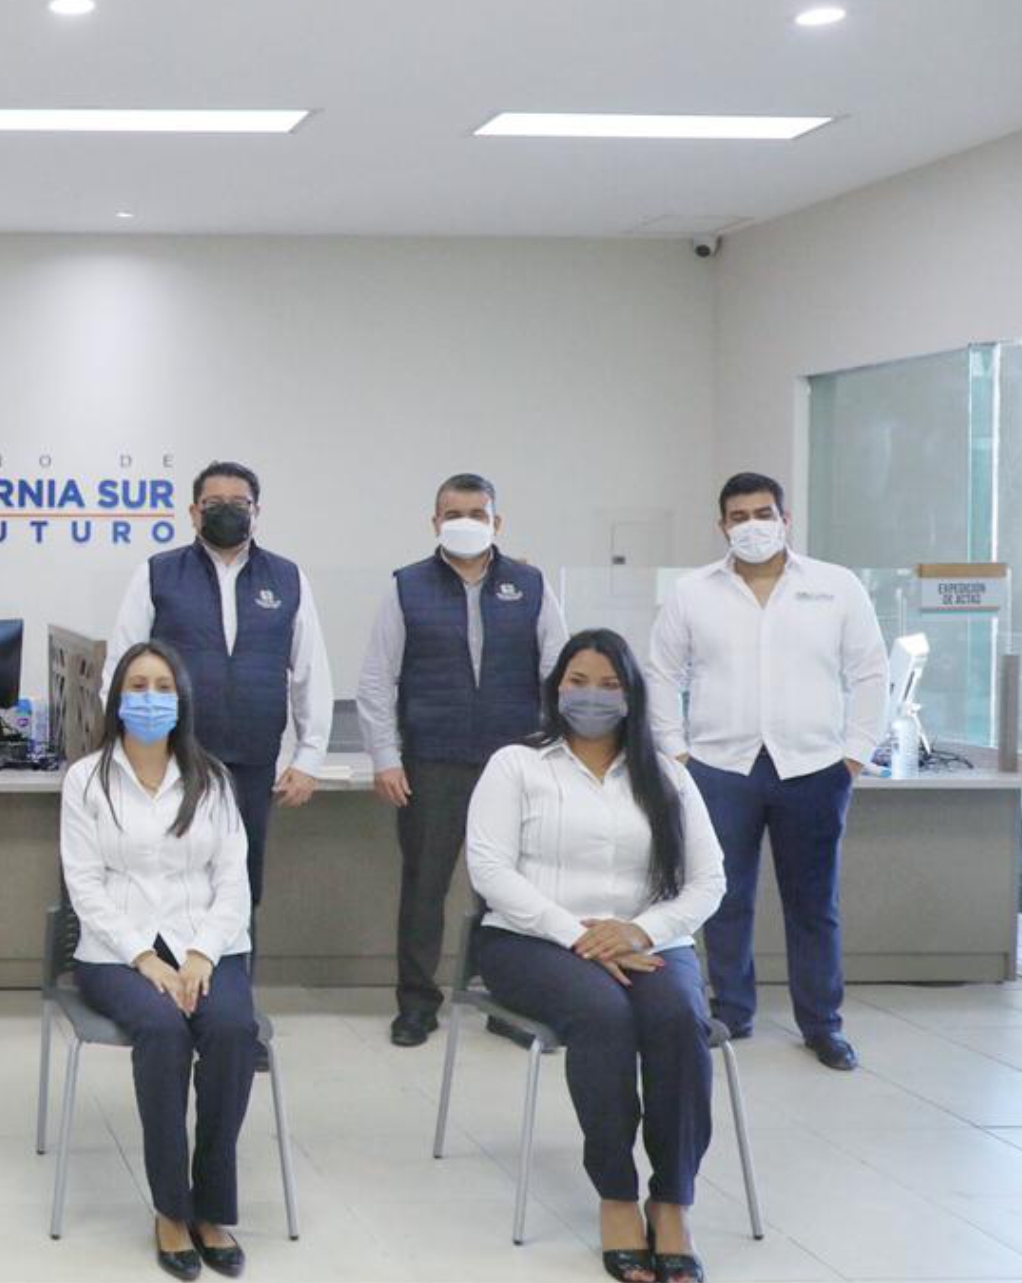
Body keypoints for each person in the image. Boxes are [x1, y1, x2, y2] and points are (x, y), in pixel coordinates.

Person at [466, 628, 727, 1283]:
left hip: (648, 941)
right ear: (556, 689)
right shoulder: (516, 766)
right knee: (603, 1014)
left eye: (609, 685)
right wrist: (578, 935)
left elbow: (708, 881)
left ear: (631, 695)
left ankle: (672, 1200)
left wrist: (637, 931)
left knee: (678, 1019)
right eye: (577, 682)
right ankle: (616, 1194)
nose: (592, 696)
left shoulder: (666, 775)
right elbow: (489, 870)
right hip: (530, 940)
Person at [645, 472, 887, 1072]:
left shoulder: (835, 585)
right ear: (722, 525)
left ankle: (822, 1024)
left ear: (785, 519)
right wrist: (676, 753)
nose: (752, 525)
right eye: (739, 516)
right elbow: (661, 674)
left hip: (814, 767)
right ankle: (732, 1010)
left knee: (814, 903)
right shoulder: (692, 592)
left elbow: (870, 671)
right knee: (723, 896)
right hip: (719, 767)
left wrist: (854, 754)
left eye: (763, 513)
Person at [62, 640, 258, 1282]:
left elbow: (233, 882)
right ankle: (172, 1209)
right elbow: (84, 885)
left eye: (163, 687)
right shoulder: (86, 780)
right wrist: (144, 957)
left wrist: (201, 953)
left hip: (209, 947)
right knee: (163, 1030)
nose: (151, 698)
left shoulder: (213, 780)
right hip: (117, 954)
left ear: (182, 699)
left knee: (232, 1030)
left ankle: (213, 1207)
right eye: (138, 686)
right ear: (117, 698)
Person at [355, 472, 568, 1047]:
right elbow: (377, 679)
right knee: (425, 886)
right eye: (453, 514)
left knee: (509, 891)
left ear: (498, 522)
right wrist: (386, 757)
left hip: (514, 760)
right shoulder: (407, 587)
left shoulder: (531, 585)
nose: (465, 523)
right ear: (435, 522)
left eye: (477, 514)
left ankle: (507, 1001)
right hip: (432, 760)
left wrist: (554, 750)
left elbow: (557, 671)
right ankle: (416, 1005)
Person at [108, 462, 331, 910]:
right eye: (213, 503)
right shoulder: (157, 574)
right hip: (174, 758)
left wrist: (309, 757)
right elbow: (121, 666)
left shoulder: (287, 578)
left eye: (238, 503)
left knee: (240, 885)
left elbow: (311, 671)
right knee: (171, 879)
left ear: (256, 511)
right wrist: (119, 750)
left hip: (253, 761)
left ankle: (236, 959)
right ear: (194, 512)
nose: (226, 511)